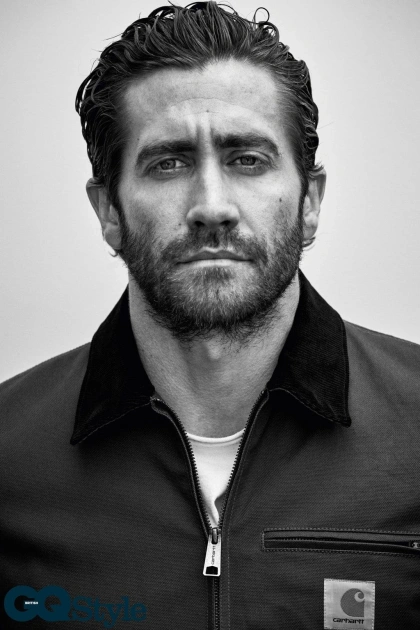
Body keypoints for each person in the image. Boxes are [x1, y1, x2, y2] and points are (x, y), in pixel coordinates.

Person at [1, 3, 420, 629]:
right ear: (109, 211)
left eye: (247, 159)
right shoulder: (9, 458)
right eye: (168, 163)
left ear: (309, 201)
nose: (212, 206)